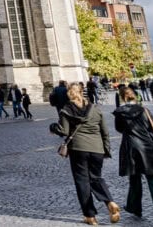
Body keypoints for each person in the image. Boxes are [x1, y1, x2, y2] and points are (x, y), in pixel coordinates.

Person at [51, 82, 120, 225]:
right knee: (96, 178)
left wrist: (53, 127)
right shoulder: (95, 108)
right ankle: (110, 202)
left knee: (82, 182)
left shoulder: (66, 109)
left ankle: (90, 216)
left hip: (78, 149)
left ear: (68, 93)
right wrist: (106, 149)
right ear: (82, 92)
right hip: (97, 149)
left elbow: (63, 131)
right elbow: (105, 131)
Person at [113, 85, 153, 224]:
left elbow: (119, 129)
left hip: (131, 147)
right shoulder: (145, 110)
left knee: (134, 179)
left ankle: (135, 207)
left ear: (122, 97)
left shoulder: (119, 112)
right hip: (148, 146)